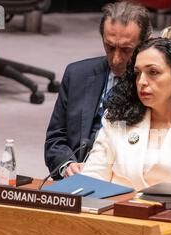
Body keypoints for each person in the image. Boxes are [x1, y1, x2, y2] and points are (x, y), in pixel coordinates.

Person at [81, 38, 171, 194]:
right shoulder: (116, 120)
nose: (142, 82)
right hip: (116, 214)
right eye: (138, 73)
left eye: (153, 72)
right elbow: (90, 183)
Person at [44, 1, 152, 180]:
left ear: (146, 42)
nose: (116, 59)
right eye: (110, 47)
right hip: (76, 180)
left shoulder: (155, 87)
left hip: (123, 182)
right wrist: (68, 165)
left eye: (126, 50)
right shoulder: (77, 75)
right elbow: (55, 139)